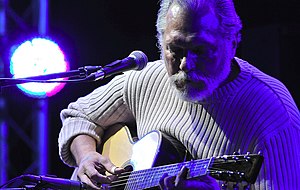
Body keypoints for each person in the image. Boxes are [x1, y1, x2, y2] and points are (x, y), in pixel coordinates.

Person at [58, 0, 300, 189]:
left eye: (200, 50)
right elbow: (78, 116)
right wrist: (87, 156)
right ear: (160, 41)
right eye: (175, 50)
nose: (186, 65)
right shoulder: (147, 78)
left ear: (233, 43)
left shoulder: (273, 115)